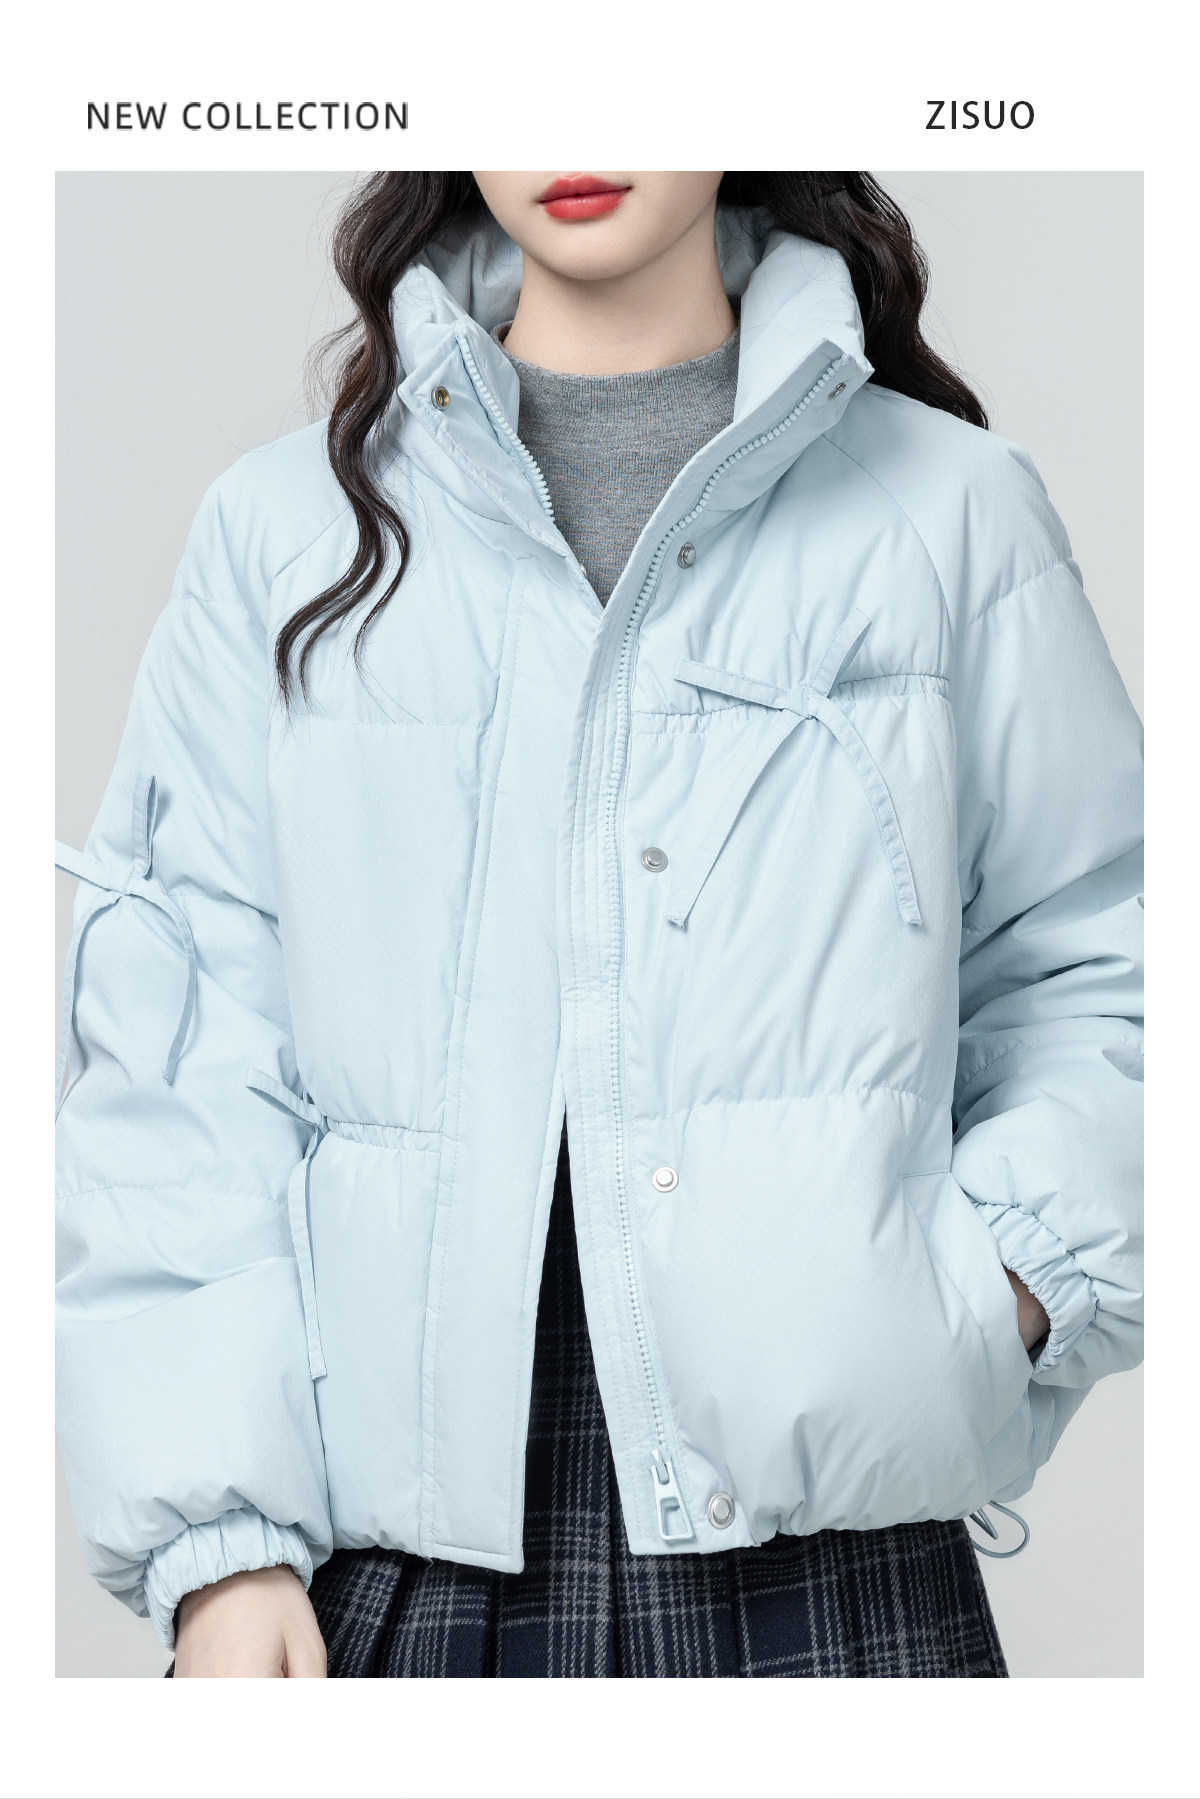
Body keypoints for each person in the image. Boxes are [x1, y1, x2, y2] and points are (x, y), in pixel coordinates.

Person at [55, 171, 1144, 1678]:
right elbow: (180, 1056)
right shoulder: (288, 532)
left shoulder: (947, 511)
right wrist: (221, 1545)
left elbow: (1109, 962)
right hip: (395, 1574)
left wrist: (989, 1293)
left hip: (838, 1571)